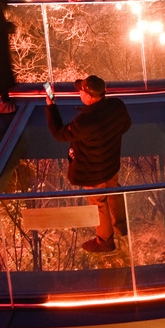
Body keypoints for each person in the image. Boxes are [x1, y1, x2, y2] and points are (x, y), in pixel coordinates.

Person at [45, 74, 132, 253]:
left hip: (92, 171)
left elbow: (60, 134)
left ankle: (105, 241)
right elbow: (126, 125)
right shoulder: (117, 106)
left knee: (98, 202)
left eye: (81, 91)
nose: (79, 94)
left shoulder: (85, 122)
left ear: (90, 96)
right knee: (114, 191)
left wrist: (51, 106)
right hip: (110, 163)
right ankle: (121, 225)